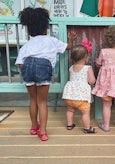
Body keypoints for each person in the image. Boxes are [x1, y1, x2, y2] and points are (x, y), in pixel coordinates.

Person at [15, 7, 77, 141]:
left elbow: (20, 63)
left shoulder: (27, 45)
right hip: (43, 67)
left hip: (27, 67)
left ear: (30, 30)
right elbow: (68, 48)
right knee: (42, 101)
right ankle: (42, 132)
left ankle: (33, 127)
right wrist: (70, 39)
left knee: (33, 100)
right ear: (45, 28)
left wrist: (27, 72)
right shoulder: (51, 40)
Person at [62, 38, 96, 133]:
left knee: (70, 110)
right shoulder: (87, 68)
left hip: (69, 95)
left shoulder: (71, 68)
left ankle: (69, 125)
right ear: (86, 58)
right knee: (85, 113)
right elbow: (92, 81)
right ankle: (87, 128)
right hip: (81, 97)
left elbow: (71, 79)